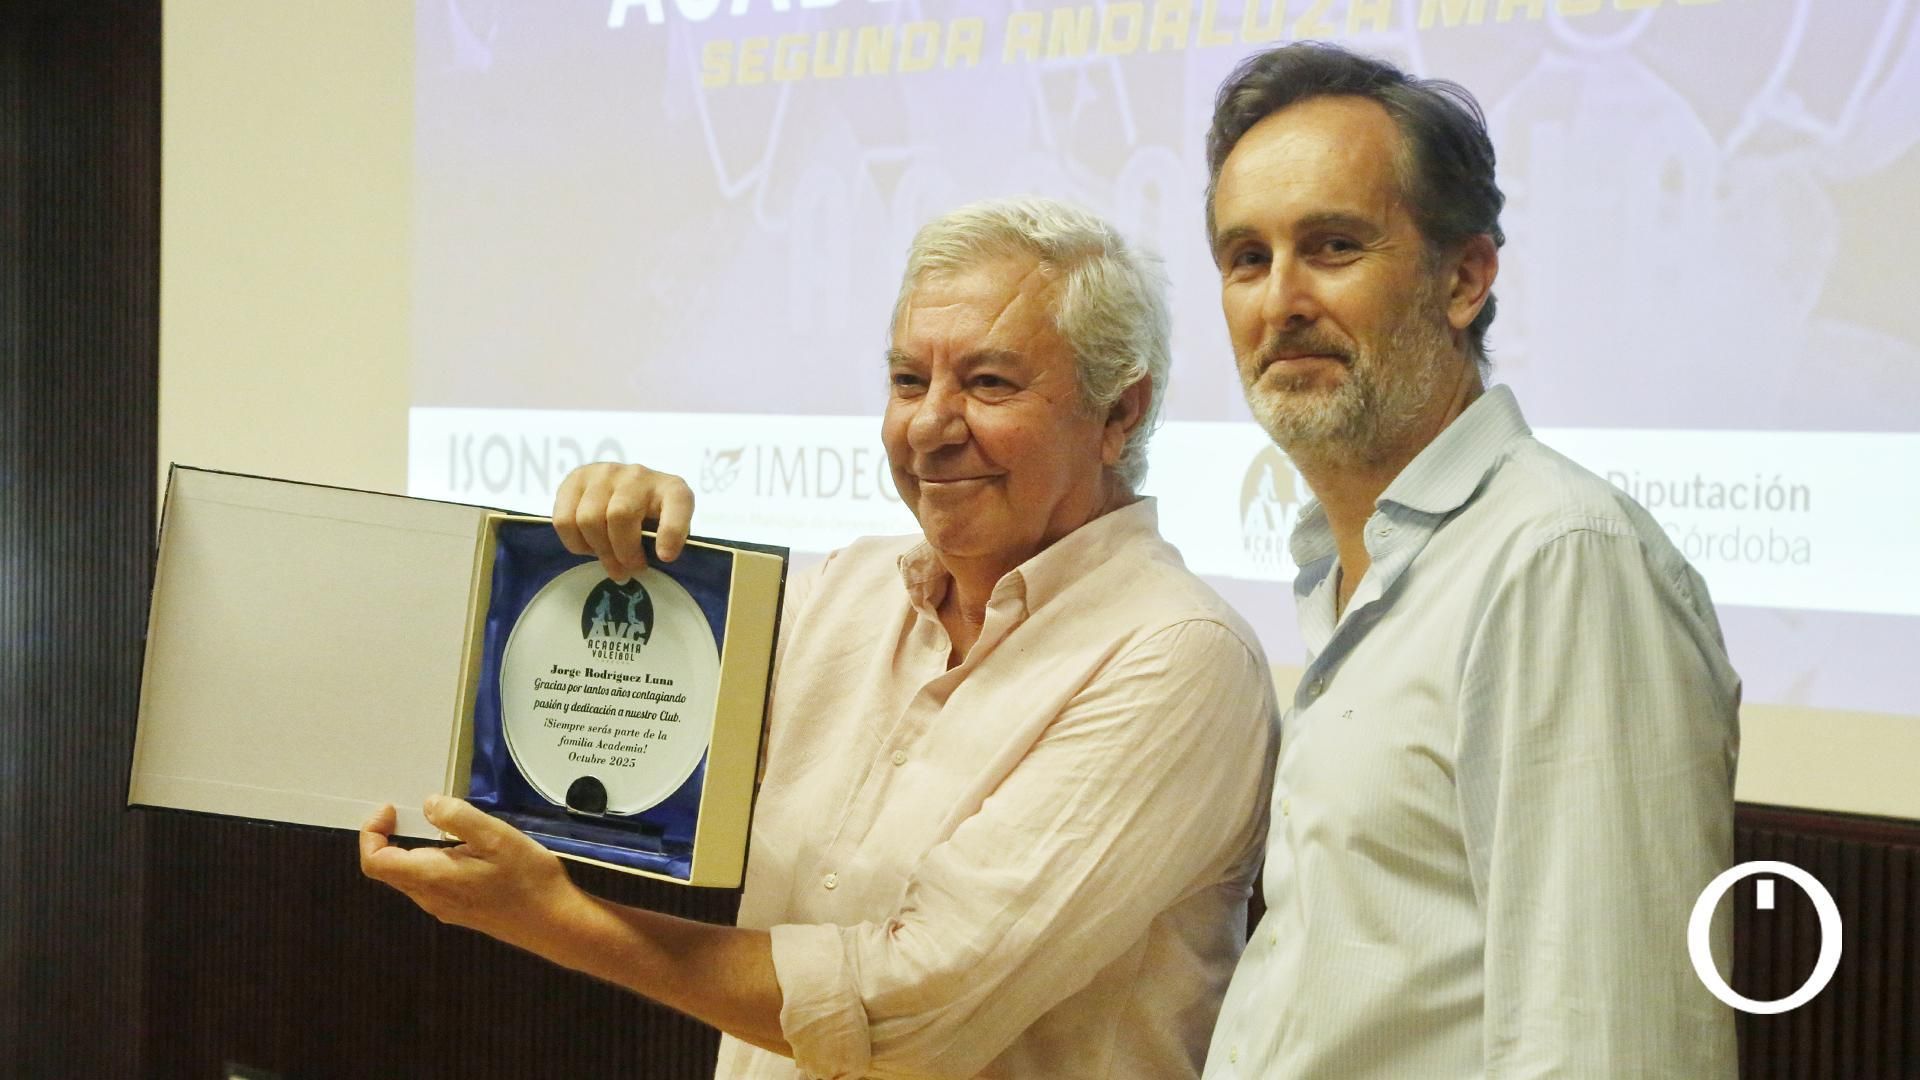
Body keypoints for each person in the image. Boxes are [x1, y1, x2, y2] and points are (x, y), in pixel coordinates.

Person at [361, 196, 1279, 1079]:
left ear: (1120, 413)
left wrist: (557, 922)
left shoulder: (1182, 656)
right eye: (908, 380)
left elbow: (914, 1009)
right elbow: (632, 760)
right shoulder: (846, 590)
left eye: (989, 383)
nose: (928, 425)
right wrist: (625, 569)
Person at [1196, 44, 1740, 1077]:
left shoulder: (1561, 562)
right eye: (1247, 258)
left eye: (1334, 246)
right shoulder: (1346, 569)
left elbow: (1607, 1041)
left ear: (1465, 278)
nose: (1281, 301)